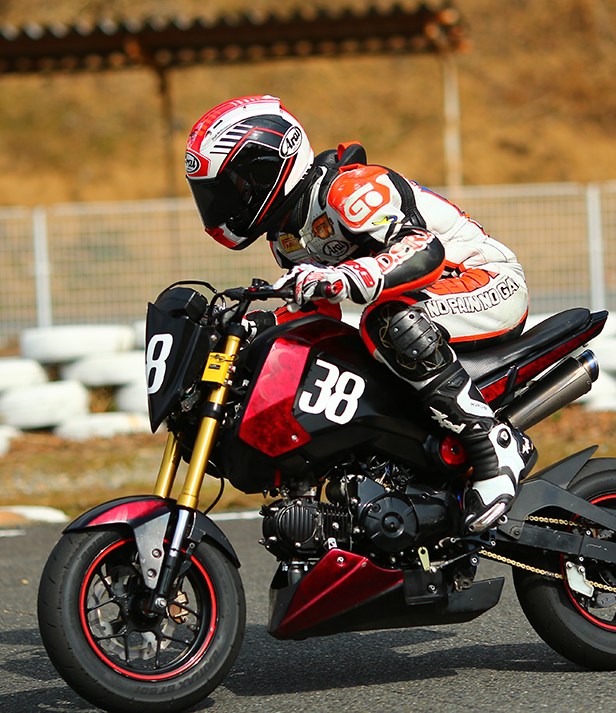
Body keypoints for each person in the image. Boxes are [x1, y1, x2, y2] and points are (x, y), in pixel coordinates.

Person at [185, 95, 535, 533]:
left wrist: (347, 276)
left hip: (485, 281)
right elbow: (318, 319)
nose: (226, 203)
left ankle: (493, 447)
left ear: (270, 165)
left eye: (234, 187)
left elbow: (422, 250)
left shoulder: (348, 189)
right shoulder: (287, 238)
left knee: (386, 323)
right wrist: (253, 329)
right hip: (430, 305)